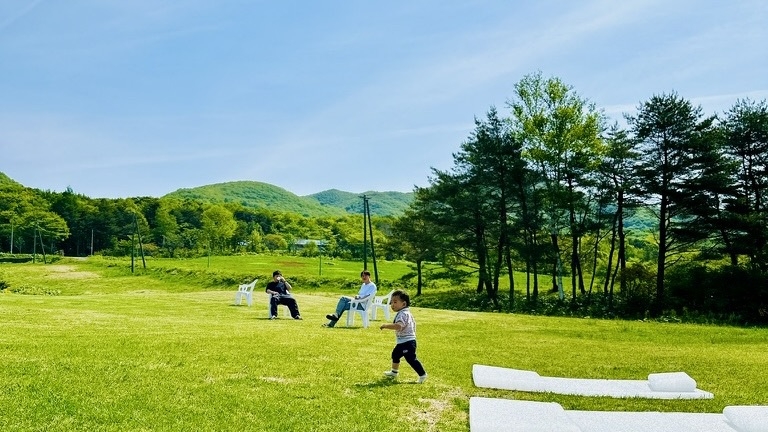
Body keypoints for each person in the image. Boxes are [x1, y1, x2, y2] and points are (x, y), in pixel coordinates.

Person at [380, 290, 427, 383]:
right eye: (391, 302)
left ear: (404, 303)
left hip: (407, 342)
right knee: (395, 354)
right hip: (403, 342)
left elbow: (399, 326)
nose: (392, 305)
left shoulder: (403, 314)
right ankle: (394, 372)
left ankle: (422, 374)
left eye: (395, 302)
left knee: (411, 359)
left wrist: (386, 325)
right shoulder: (405, 312)